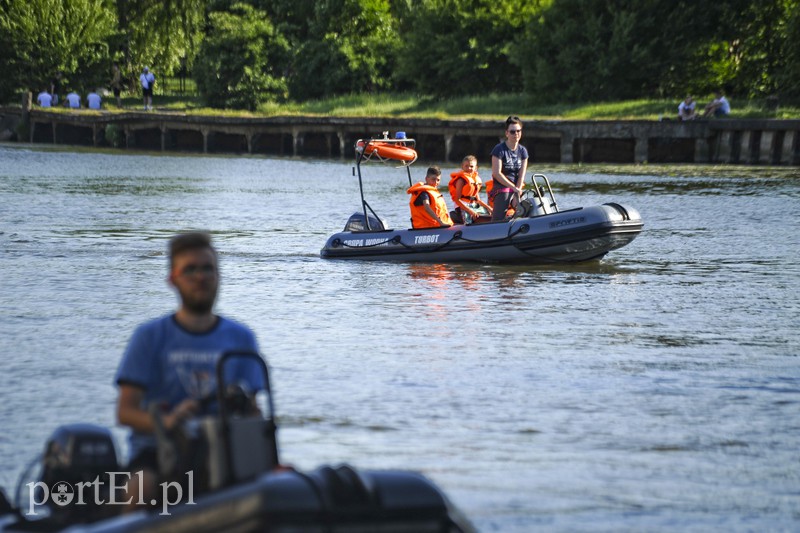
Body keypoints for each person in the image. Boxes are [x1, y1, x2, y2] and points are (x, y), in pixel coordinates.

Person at [115, 232, 264, 510]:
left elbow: (254, 412)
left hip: (225, 449)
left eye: (208, 268)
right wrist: (168, 421)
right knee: (140, 488)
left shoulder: (242, 338)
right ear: (173, 279)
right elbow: (125, 412)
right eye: (190, 269)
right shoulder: (149, 336)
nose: (200, 277)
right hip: (159, 452)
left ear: (219, 276)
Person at [490, 116, 529, 221]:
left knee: (529, 203)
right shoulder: (499, 150)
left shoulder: (523, 151)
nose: (516, 134)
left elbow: (522, 174)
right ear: (507, 133)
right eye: (512, 132)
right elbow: (496, 173)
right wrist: (513, 188)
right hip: (502, 187)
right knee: (505, 195)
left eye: (518, 131)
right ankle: (496, 224)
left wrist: (518, 191)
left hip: (517, 187)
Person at [448, 155, 492, 224]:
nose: (469, 168)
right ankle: (456, 217)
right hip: (462, 206)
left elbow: (478, 200)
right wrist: (470, 211)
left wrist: (488, 208)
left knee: (489, 214)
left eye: (471, 166)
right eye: (466, 166)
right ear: (462, 166)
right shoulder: (461, 180)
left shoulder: (475, 180)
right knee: (469, 222)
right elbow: (457, 199)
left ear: (476, 168)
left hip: (473, 206)